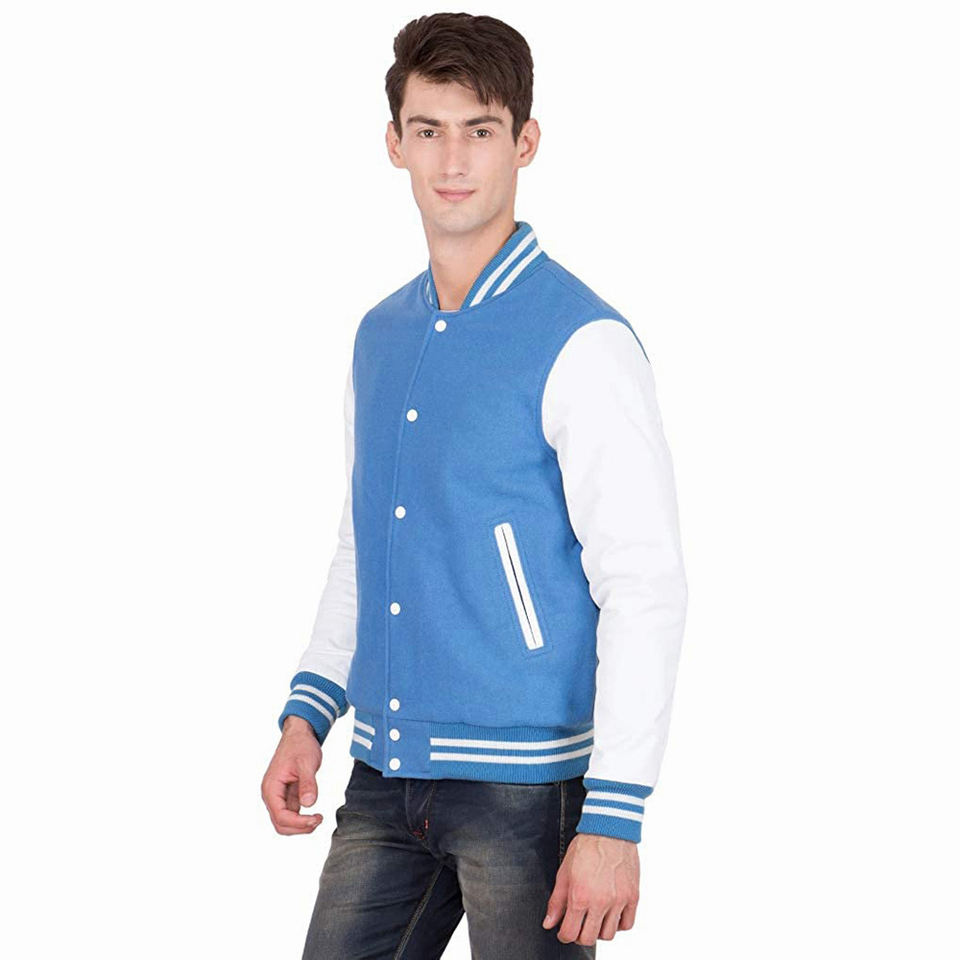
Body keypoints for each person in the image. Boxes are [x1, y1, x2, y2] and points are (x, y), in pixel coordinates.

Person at [261, 12, 688, 958]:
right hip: (384, 774)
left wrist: (615, 815)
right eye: (429, 130)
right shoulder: (380, 335)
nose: (452, 161)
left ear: (524, 142)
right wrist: (308, 712)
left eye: (480, 130)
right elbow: (364, 541)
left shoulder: (583, 341)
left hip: (524, 789)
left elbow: (645, 584)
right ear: (395, 143)